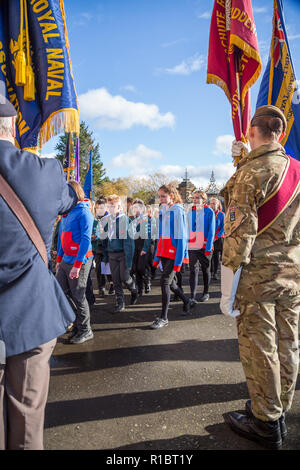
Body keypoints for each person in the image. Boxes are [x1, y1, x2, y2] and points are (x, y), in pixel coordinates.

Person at [220, 105, 300, 450]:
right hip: (293, 274)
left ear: (252, 133)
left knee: (261, 347)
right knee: (288, 344)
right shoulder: (296, 169)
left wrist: (226, 290)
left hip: (258, 278)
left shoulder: (250, 173)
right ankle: (279, 408)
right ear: (280, 133)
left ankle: (266, 421)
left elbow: (239, 238)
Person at [0, 97, 77, 450]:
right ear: (13, 127)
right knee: (28, 419)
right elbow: (69, 201)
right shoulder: (45, 171)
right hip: (31, 311)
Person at [56, 181, 94, 345]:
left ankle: (86, 330)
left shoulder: (84, 212)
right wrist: (59, 259)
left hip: (80, 261)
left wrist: (77, 265)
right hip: (65, 260)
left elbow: (85, 240)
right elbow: (61, 239)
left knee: (78, 296)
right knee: (60, 292)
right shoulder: (66, 214)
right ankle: (76, 324)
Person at [151, 183, 193, 329]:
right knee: (171, 283)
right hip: (163, 251)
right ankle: (186, 300)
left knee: (164, 282)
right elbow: (160, 234)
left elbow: (182, 236)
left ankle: (164, 318)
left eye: (163, 196)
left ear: (172, 195)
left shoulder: (178, 210)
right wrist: (157, 256)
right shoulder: (163, 209)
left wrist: (180, 260)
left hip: (173, 252)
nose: (161, 198)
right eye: (159, 196)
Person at [101, 194, 137, 313]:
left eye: (113, 206)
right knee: (115, 280)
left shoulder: (125, 220)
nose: (110, 208)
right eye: (108, 206)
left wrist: (128, 260)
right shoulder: (107, 220)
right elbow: (105, 239)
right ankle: (120, 302)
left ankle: (134, 289)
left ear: (119, 207)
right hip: (112, 254)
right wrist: (106, 255)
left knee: (125, 278)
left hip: (123, 254)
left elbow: (129, 242)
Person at [187, 190, 215, 302]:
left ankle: (206, 292)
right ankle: (192, 296)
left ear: (203, 200)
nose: (195, 200)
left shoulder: (209, 211)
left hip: (205, 246)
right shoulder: (190, 211)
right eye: (194, 198)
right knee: (193, 270)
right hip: (193, 246)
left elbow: (211, 231)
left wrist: (208, 247)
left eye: (198, 197)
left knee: (205, 270)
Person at [131, 199, 153, 296]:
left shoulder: (146, 219)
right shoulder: (132, 219)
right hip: (134, 246)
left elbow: (148, 235)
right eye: (134, 207)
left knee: (141, 268)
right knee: (135, 268)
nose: (135, 209)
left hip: (143, 246)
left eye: (137, 207)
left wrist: (145, 249)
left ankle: (147, 281)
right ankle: (139, 289)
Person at [95, 197, 114, 297]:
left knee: (108, 268)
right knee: (98, 268)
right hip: (98, 248)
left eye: (101, 208)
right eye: (97, 208)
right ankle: (101, 288)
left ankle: (112, 284)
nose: (99, 210)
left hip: (108, 248)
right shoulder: (96, 219)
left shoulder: (110, 219)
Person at [209, 197, 225, 280]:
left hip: (218, 238)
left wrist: (216, 236)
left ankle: (215, 273)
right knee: (210, 256)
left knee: (216, 256)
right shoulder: (208, 213)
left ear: (218, 205)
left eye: (214, 203)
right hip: (209, 238)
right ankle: (210, 271)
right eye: (211, 203)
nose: (212, 205)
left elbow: (223, 228)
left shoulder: (222, 214)